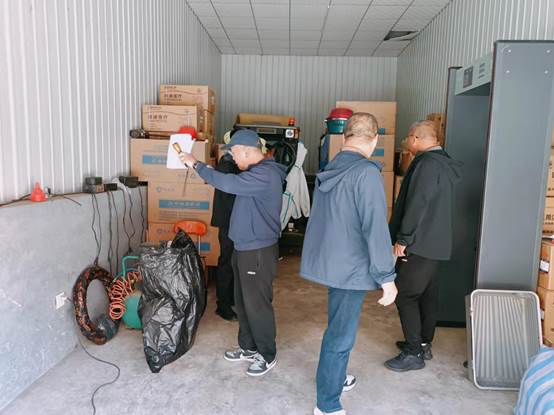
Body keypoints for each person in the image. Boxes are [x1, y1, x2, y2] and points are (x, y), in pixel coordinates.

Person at [300, 113, 398, 415]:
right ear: (375, 139)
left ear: (344, 137)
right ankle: (327, 405)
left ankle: (337, 376)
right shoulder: (366, 173)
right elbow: (375, 227)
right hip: (352, 266)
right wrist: (387, 277)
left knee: (338, 327)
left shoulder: (332, 167)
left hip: (333, 262)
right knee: (340, 336)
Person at [179, 129, 286, 377]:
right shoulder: (254, 173)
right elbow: (230, 181)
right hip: (243, 246)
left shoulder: (266, 174)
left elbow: (229, 183)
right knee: (243, 301)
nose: (233, 159)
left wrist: (196, 164)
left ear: (247, 151)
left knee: (257, 305)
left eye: (234, 153)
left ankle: (267, 354)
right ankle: (248, 347)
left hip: (257, 250)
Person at [385, 120, 462, 372]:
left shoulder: (426, 164)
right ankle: (423, 343)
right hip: (437, 243)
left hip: (419, 242)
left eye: (408, 138)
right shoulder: (444, 162)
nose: (407, 143)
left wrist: (403, 238)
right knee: (427, 295)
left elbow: (418, 203)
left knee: (405, 294)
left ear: (416, 138)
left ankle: (413, 352)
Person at [211, 131, 240, 321]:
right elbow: (232, 196)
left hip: (232, 221)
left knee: (232, 262)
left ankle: (230, 299)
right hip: (228, 222)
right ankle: (223, 306)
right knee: (227, 263)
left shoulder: (231, 164)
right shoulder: (227, 166)